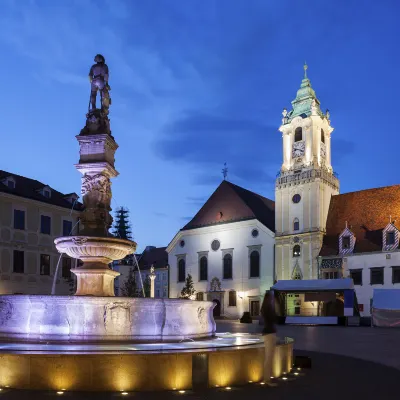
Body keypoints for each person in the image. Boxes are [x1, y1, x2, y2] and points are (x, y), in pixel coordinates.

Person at [260, 290, 277, 386]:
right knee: (269, 357)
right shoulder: (268, 308)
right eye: (272, 297)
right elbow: (274, 319)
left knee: (268, 357)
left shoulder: (265, 307)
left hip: (268, 332)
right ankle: (267, 380)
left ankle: (267, 378)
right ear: (269, 297)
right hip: (270, 333)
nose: (273, 298)